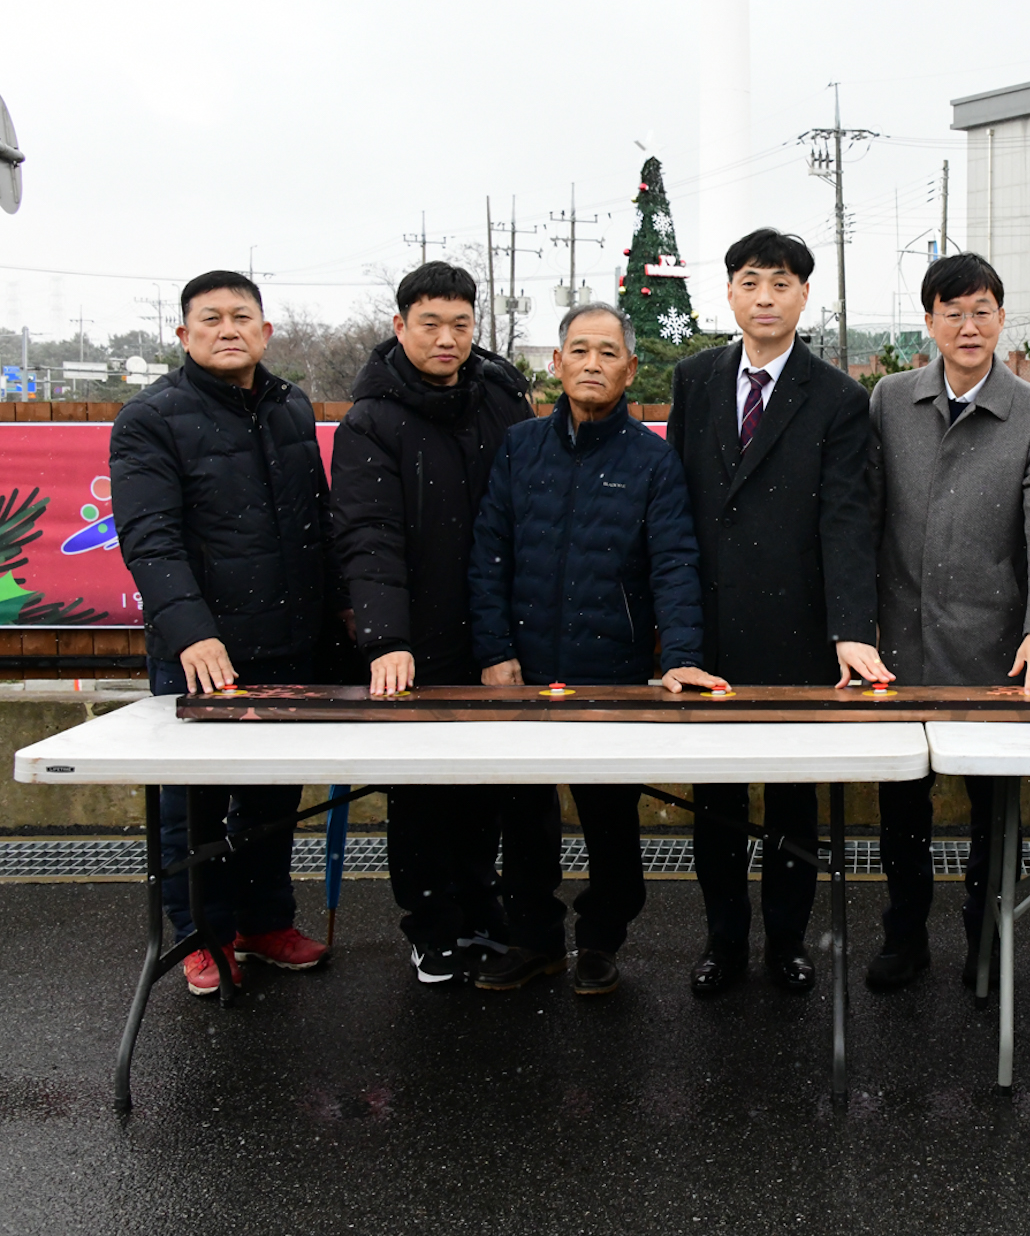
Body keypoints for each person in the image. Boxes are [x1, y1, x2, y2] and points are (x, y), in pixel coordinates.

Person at [467, 303, 725, 994]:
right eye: (578, 350)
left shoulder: (652, 459)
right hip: (522, 669)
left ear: (630, 368)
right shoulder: (521, 448)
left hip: (612, 669)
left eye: (607, 352)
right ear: (555, 363)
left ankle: (603, 940)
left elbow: (674, 563)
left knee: (610, 817)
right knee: (522, 817)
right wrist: (494, 649)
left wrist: (679, 658)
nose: (591, 363)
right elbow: (489, 555)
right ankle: (534, 939)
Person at [668, 229, 891, 996]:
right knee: (717, 804)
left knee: (794, 801)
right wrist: (676, 627)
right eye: (752, 281)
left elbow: (847, 519)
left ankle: (789, 942)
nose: (766, 297)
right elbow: (677, 510)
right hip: (711, 629)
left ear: (805, 295)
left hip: (797, 629)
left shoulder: (835, 396)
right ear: (729, 291)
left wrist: (850, 630)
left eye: (784, 283)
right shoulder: (694, 380)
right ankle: (723, 940)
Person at [110, 269, 337, 995]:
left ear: (266, 332)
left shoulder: (290, 406)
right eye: (210, 318)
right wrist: (191, 633)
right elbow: (150, 536)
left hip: (291, 643)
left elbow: (312, 524)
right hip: (204, 653)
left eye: (243, 316)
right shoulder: (149, 418)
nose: (228, 328)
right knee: (194, 802)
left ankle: (267, 921)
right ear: (183, 335)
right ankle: (201, 934)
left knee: (273, 798)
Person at [329, 261, 546, 985]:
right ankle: (431, 926)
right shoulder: (370, 419)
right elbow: (368, 534)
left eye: (461, 323)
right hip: (416, 640)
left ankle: (485, 908)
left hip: (492, 630)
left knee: (489, 782)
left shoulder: (501, 399)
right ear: (400, 326)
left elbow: (522, 518)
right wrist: (387, 639)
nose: (447, 338)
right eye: (431, 323)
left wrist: (508, 633)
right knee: (421, 790)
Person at [863, 252, 1030, 992]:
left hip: (995, 647)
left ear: (1002, 317)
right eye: (951, 311)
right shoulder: (889, 399)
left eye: (982, 309)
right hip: (900, 642)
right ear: (928, 322)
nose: (968, 324)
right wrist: (859, 624)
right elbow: (862, 516)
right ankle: (904, 932)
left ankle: (986, 938)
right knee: (900, 808)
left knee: (996, 812)